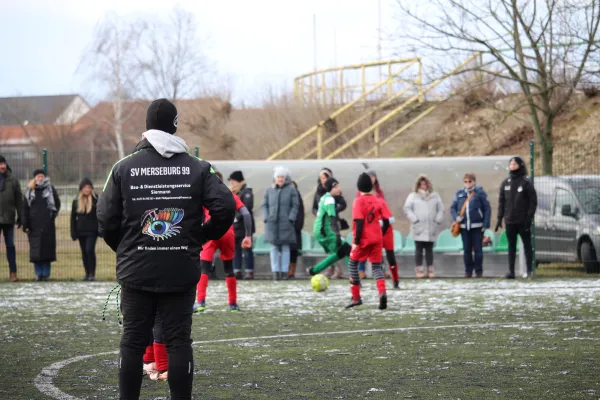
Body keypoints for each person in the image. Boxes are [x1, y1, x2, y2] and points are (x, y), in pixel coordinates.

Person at [97, 98, 236, 400]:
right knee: (178, 342)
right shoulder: (197, 167)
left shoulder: (123, 168)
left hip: (136, 268)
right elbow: (225, 206)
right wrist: (198, 236)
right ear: (175, 126)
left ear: (146, 129)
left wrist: (123, 247)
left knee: (133, 341)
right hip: (180, 267)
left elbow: (105, 218)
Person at [195, 171, 252, 312]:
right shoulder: (229, 194)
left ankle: (201, 302)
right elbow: (246, 213)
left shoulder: (204, 195)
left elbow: (194, 214)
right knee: (229, 269)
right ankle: (233, 304)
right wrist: (248, 235)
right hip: (227, 233)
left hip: (210, 232)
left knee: (204, 268)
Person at [346, 173, 390, 310]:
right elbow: (387, 221)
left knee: (352, 264)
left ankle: (356, 297)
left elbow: (359, 222)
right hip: (376, 237)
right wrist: (380, 235)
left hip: (363, 239)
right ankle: (382, 292)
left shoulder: (358, 201)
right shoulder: (378, 200)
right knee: (376, 267)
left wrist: (357, 241)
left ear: (358, 187)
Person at [496, 157, 537, 279]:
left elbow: (533, 201)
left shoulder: (526, 182)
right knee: (511, 246)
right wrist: (500, 218)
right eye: (511, 163)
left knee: (527, 245)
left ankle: (530, 271)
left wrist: (529, 218)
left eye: (515, 163)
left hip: (523, 220)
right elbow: (501, 202)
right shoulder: (506, 182)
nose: (512, 165)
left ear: (520, 165)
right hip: (510, 221)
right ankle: (511, 271)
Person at [356, 169, 398, 285]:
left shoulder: (379, 200)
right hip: (373, 231)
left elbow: (388, 218)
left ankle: (395, 279)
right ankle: (360, 275)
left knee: (388, 257)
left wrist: (381, 230)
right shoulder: (360, 200)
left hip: (384, 232)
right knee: (363, 252)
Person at [22, 169, 60, 281]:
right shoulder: (29, 191)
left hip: (48, 226)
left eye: (42, 176)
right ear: (34, 178)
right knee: (36, 252)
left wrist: (51, 216)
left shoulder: (50, 190)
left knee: (47, 251)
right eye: (38, 176)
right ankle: (38, 274)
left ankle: (46, 274)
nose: (40, 178)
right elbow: (24, 209)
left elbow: (57, 204)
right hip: (33, 226)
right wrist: (25, 224)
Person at [450, 173, 491, 278]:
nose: (468, 184)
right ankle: (468, 271)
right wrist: (456, 217)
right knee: (467, 250)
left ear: (474, 182)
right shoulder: (459, 193)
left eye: (470, 181)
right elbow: (453, 208)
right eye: (466, 182)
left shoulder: (480, 193)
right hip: (464, 227)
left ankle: (478, 271)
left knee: (478, 249)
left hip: (477, 226)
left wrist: (485, 224)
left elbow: (487, 208)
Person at [403, 175, 445, 278]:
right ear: (418, 185)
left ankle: (430, 270)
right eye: (421, 184)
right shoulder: (413, 196)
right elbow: (407, 209)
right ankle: (419, 270)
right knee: (419, 249)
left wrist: (437, 220)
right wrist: (415, 219)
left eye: (425, 184)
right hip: (418, 227)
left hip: (431, 226)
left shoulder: (435, 196)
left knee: (429, 249)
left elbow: (441, 209)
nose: (423, 186)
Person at [309, 177, 352, 276]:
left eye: (339, 186)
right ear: (330, 189)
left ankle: (314, 270)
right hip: (325, 231)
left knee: (341, 252)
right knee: (349, 250)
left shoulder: (325, 197)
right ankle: (354, 278)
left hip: (320, 231)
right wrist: (336, 233)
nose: (338, 189)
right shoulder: (329, 199)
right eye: (336, 187)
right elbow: (332, 218)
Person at [262, 167, 299, 280]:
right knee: (273, 247)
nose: (280, 179)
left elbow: (295, 205)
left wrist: (291, 218)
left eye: (282, 177)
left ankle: (284, 272)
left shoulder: (292, 189)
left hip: (286, 224)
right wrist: (266, 217)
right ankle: (275, 272)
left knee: (285, 247)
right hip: (272, 224)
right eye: (278, 177)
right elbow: (264, 205)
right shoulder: (269, 190)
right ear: (275, 178)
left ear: (285, 178)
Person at [229, 170, 256, 280]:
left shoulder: (246, 192)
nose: (231, 183)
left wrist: (236, 218)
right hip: (235, 227)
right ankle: (237, 271)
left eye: (233, 181)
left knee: (246, 249)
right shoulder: (233, 193)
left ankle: (249, 271)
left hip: (244, 226)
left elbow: (247, 208)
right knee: (236, 250)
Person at [71, 178, 99, 281]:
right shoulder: (76, 201)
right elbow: (72, 218)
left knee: (89, 250)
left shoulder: (96, 200)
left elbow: (100, 216)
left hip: (92, 231)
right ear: (81, 189)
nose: (87, 189)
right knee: (84, 252)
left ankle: (92, 273)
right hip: (80, 231)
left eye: (89, 187)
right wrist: (73, 232)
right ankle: (87, 273)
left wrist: (100, 230)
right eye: (85, 187)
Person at [0, 155, 23, 282]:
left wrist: (20, 216)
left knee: (10, 246)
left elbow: (19, 200)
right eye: (0, 164)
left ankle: (13, 273)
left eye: (3, 163)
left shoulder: (13, 180)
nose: (2, 166)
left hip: (9, 219)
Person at [290, 181, 305, 279]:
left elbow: (301, 213)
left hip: (295, 229)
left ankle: (291, 271)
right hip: (285, 229)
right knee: (286, 250)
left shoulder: (298, 198)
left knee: (294, 250)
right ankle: (284, 270)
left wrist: (298, 226)